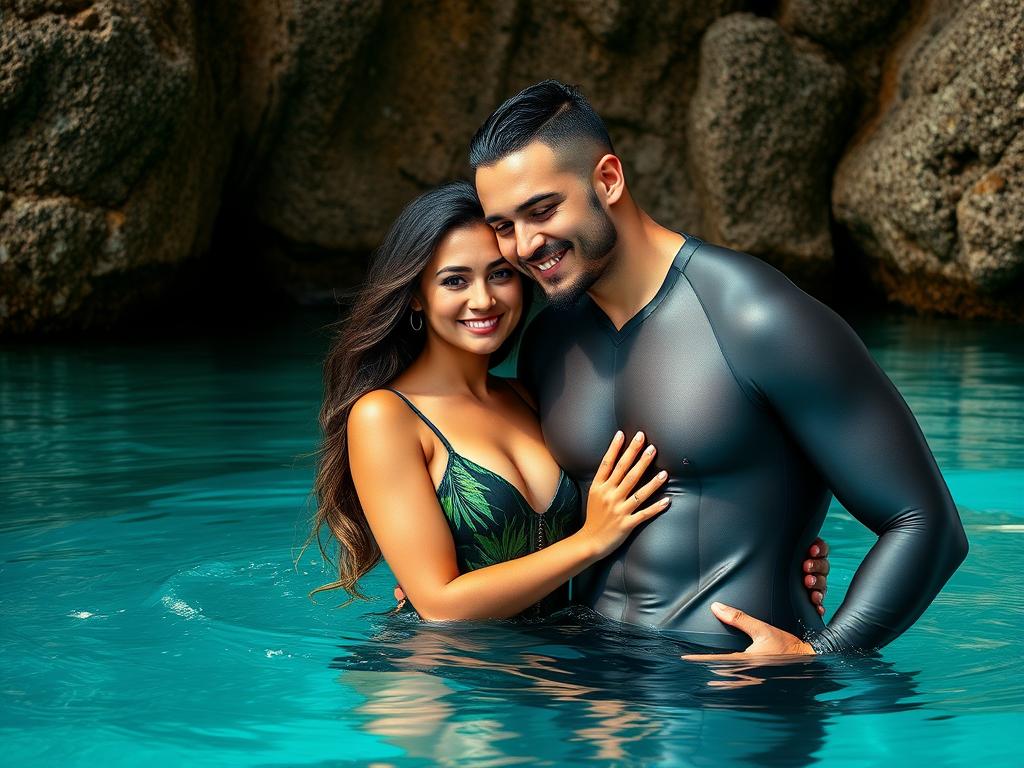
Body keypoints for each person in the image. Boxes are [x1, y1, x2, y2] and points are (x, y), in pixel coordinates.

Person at [469, 80, 968, 656]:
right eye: (504, 226)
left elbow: (924, 522)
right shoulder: (551, 341)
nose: (525, 244)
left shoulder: (755, 316)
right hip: (592, 685)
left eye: (542, 210)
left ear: (607, 180)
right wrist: (456, 577)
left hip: (732, 697)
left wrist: (823, 654)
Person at [306, 180, 829, 621]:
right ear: (416, 295)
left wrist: (772, 554)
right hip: (446, 678)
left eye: (501, 274)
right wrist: (590, 540)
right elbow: (440, 604)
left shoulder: (529, 398)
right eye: (454, 281)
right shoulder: (384, 416)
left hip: (558, 663)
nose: (483, 300)